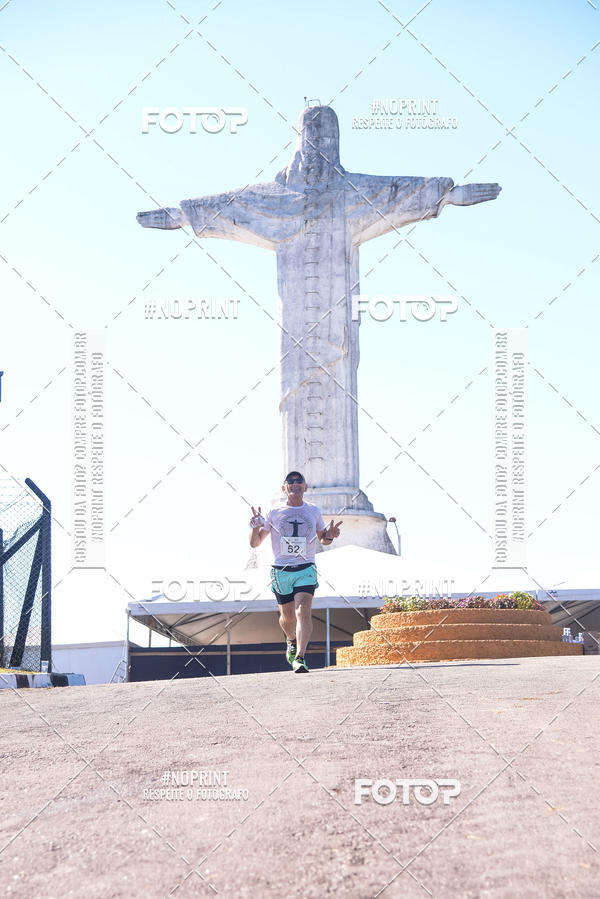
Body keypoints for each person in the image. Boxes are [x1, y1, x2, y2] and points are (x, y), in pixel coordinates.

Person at [249, 472, 342, 673]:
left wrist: (330, 536)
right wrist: (255, 528)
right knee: (287, 618)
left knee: (303, 611)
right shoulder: (274, 512)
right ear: (284, 488)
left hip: (306, 568)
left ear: (305, 487)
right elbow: (256, 543)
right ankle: (291, 640)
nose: (295, 484)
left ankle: (300, 657)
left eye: (299, 481)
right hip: (281, 570)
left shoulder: (313, 511)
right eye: (290, 481)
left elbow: (323, 539)